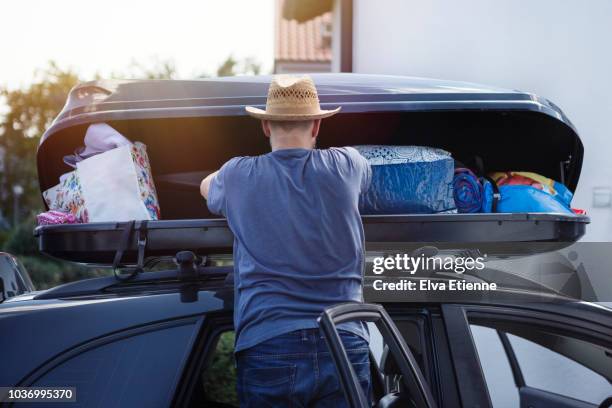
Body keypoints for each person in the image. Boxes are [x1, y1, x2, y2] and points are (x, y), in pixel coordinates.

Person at [200, 75, 372, 407]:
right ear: (317, 126)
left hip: (269, 343)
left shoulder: (237, 175)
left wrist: (224, 179)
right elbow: (368, 175)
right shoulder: (346, 165)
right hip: (345, 337)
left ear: (265, 126)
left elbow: (207, 186)